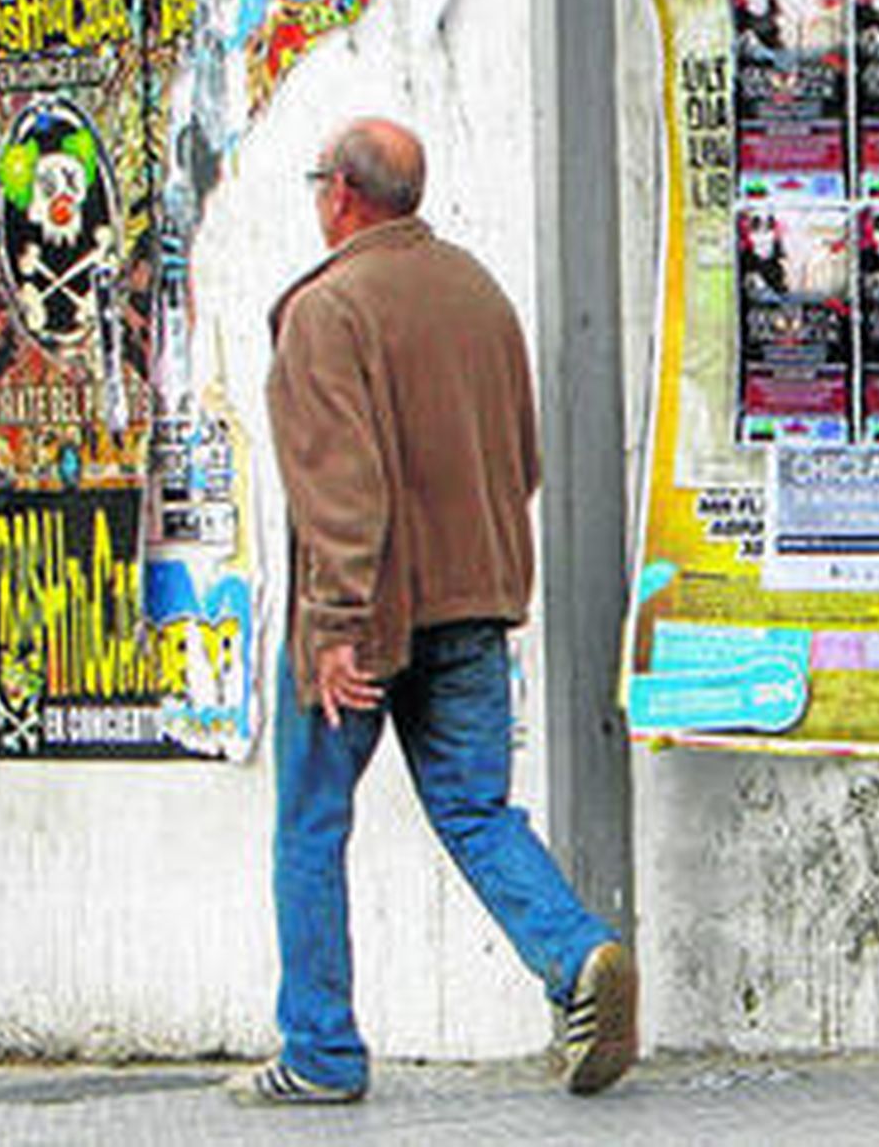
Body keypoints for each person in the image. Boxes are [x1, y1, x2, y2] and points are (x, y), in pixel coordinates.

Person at [227, 117, 637, 1106]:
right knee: (476, 809)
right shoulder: (478, 292)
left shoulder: (327, 310)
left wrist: (335, 626)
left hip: (366, 619)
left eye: (319, 182)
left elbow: (341, 488)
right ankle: (578, 953)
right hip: (474, 604)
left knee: (311, 826)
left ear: (341, 193)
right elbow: (521, 460)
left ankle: (320, 1052)